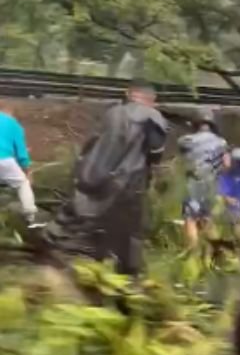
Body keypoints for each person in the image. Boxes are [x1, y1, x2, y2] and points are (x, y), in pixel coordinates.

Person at [44, 79, 167, 275]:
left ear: (129, 93)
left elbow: (90, 144)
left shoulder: (112, 113)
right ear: (152, 99)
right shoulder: (153, 117)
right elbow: (155, 152)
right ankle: (126, 274)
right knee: (128, 230)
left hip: (93, 175)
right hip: (128, 181)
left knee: (82, 216)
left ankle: (61, 255)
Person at [177, 111, 229, 248]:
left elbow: (182, 156)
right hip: (211, 185)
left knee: (190, 218)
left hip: (193, 184)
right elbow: (227, 164)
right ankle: (211, 251)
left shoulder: (186, 140)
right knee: (207, 218)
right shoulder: (222, 142)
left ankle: (193, 251)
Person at [0, 104, 37, 224]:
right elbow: (22, 154)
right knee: (22, 183)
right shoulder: (15, 125)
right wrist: (27, 171)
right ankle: (30, 216)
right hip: (4, 159)